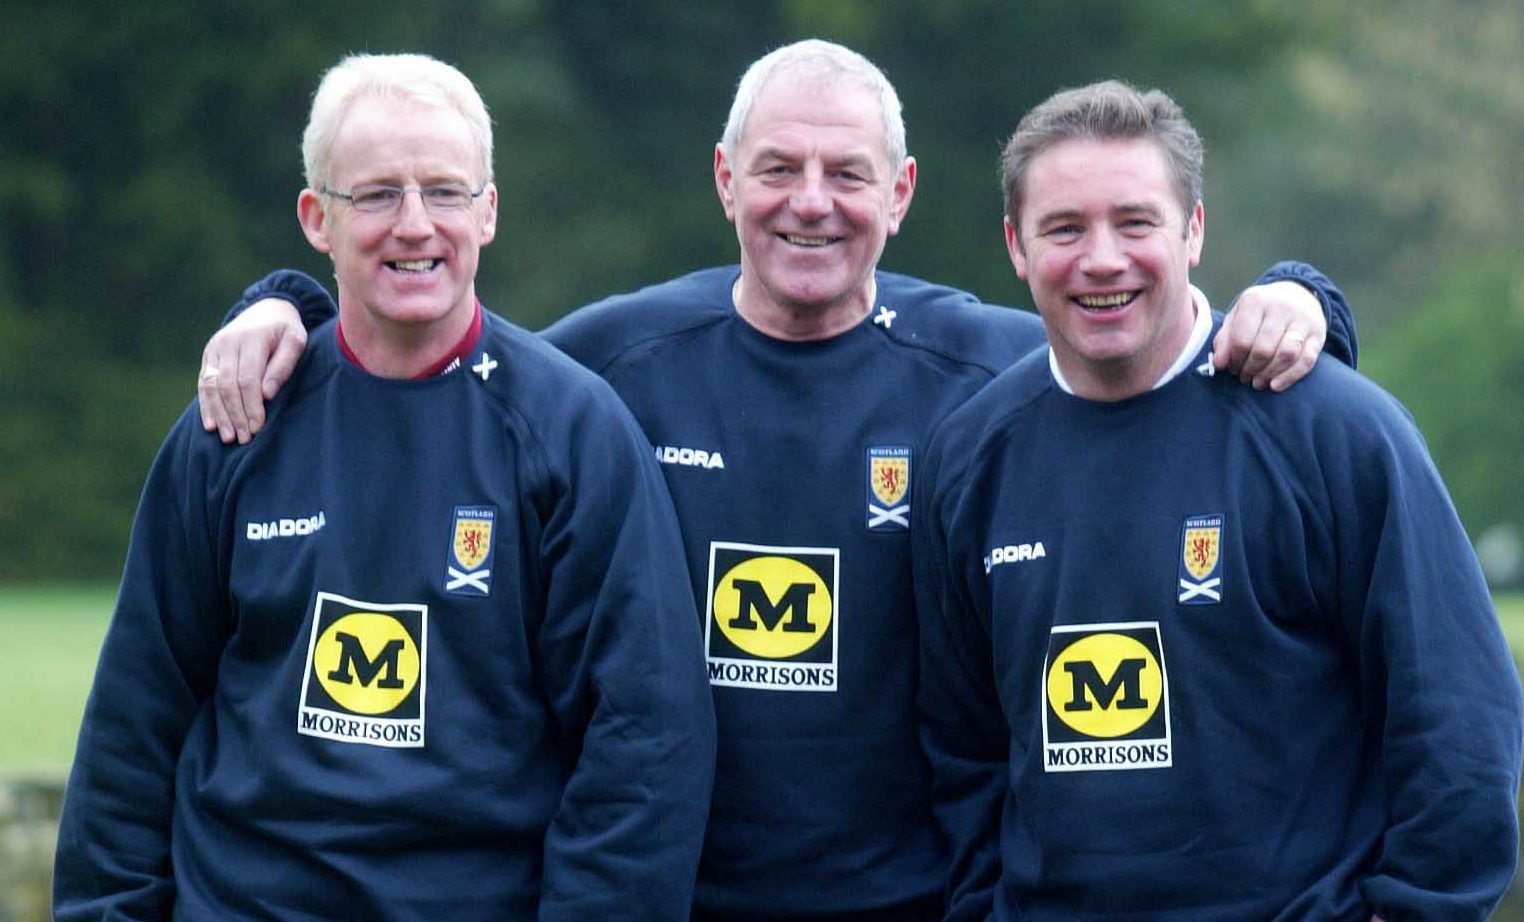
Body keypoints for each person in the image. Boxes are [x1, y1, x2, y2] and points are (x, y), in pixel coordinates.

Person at [193, 42, 1354, 921]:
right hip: (676, 897)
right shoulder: (615, 364)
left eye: (847, 173)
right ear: (724, 179)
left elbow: (1152, 345)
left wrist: (1306, 296)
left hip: (909, 900)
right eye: (779, 168)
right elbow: (435, 334)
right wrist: (285, 303)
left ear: (899, 193)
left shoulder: (991, 373)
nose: (811, 200)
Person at [53, 53, 716, 921]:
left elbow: (647, 744)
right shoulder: (236, 424)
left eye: (444, 192)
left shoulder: (573, 435)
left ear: (488, 212)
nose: (414, 225)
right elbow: (135, 725)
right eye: (375, 195)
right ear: (316, 218)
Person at [913, 79, 1523, 921]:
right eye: (1064, 228)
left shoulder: (1335, 433)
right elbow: (962, 753)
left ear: (1194, 230)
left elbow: (1458, 718)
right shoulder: (968, 457)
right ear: (1016, 245)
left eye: (1136, 222)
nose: (1101, 258)